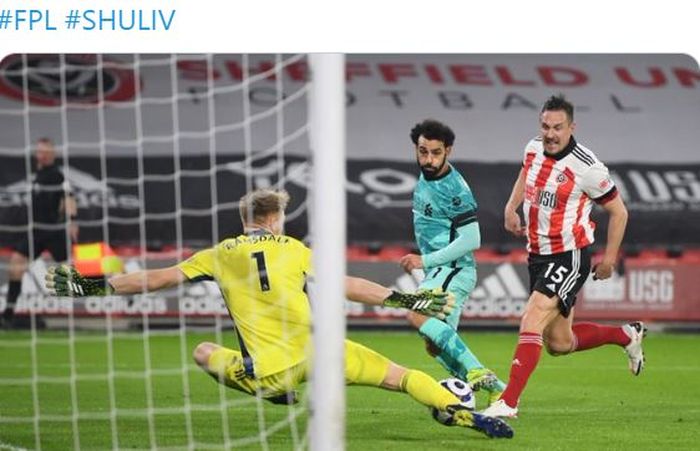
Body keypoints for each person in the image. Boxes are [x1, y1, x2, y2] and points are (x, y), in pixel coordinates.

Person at [46, 188, 513, 439]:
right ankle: (462, 412)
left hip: (270, 371)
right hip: (322, 353)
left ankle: (269, 395)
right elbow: (348, 286)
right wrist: (406, 300)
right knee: (403, 376)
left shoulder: (219, 253)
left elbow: (154, 279)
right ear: (272, 221)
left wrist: (88, 285)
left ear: (245, 218)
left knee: (205, 352)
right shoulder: (293, 248)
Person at [481, 95, 645, 418]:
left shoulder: (587, 167)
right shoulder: (532, 148)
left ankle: (508, 402)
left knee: (531, 317)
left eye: (558, 127)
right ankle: (626, 335)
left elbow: (619, 212)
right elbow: (525, 174)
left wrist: (609, 260)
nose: (550, 133)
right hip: (537, 255)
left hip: (568, 256)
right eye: (545, 126)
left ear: (572, 127)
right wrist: (510, 207)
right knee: (559, 343)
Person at [398, 119, 506, 404]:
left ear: (448, 151)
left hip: (453, 269)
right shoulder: (426, 176)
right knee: (435, 346)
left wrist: (425, 260)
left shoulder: (454, 189)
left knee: (417, 313)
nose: (429, 159)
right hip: (440, 271)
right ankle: (496, 388)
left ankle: (475, 372)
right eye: (423, 152)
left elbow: (472, 240)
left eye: (435, 152)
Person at [2, 137, 78, 328]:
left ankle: (112, 292)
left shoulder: (56, 175)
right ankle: (8, 315)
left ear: (52, 154)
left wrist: (72, 221)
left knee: (74, 272)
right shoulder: (39, 174)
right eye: (39, 151)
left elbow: (68, 196)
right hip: (36, 232)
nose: (41, 155)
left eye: (45, 151)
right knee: (16, 264)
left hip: (54, 232)